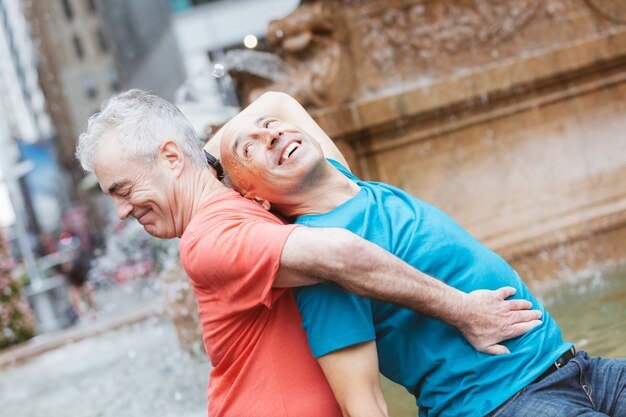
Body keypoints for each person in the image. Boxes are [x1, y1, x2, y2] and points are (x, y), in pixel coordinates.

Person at [76, 90, 541, 417]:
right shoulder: (212, 235)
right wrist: (464, 310)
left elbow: (277, 104)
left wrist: (205, 160)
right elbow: (339, 254)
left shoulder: (252, 200)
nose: (120, 211)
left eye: (122, 188)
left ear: (174, 159)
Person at [215, 94, 626, 417]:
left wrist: (210, 156)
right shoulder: (319, 261)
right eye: (250, 151)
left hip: (575, 367)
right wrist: (205, 182)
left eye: (269, 128)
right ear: (254, 198)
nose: (270, 135)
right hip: (501, 404)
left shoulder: (344, 181)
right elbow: (361, 405)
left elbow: (278, 101)